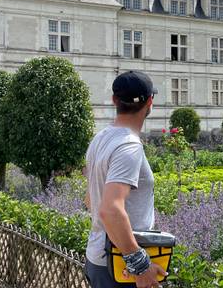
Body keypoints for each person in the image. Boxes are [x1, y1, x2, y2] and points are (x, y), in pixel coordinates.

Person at [84, 71, 166, 288]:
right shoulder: (129, 145)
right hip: (120, 267)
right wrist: (139, 265)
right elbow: (110, 209)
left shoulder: (100, 138)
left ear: (114, 100)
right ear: (150, 102)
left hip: (99, 256)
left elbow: (91, 200)